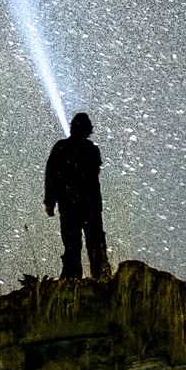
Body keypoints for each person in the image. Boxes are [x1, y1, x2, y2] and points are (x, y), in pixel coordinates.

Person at [44, 111, 109, 279]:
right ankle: (101, 277)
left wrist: (50, 201)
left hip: (69, 204)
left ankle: (72, 278)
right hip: (90, 205)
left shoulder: (61, 147)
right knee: (94, 242)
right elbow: (94, 176)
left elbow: (51, 175)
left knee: (72, 243)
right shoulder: (92, 150)